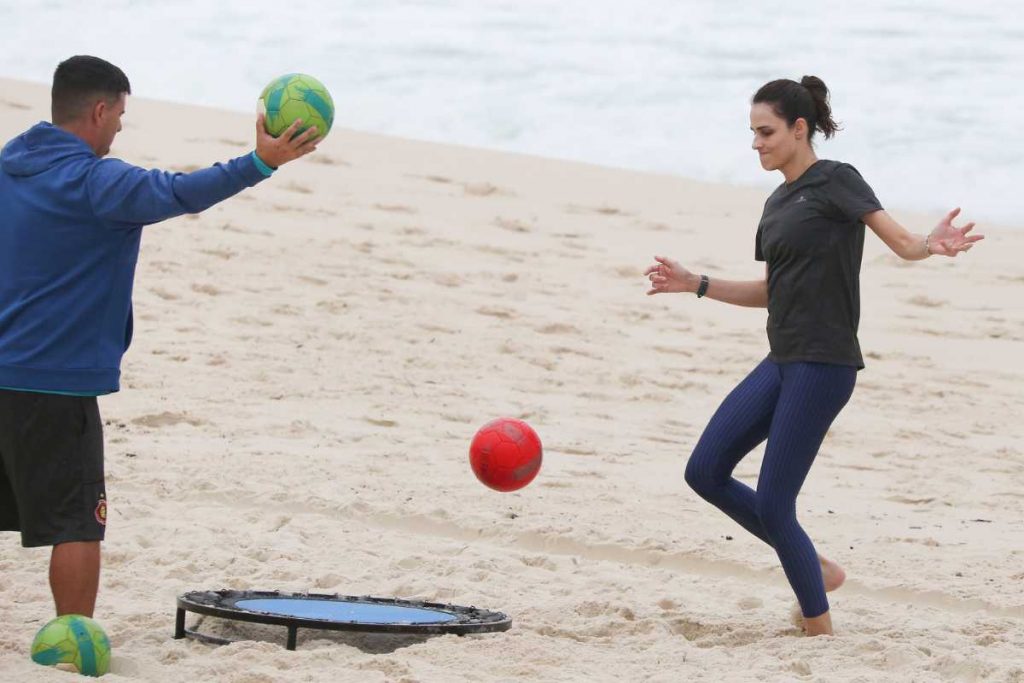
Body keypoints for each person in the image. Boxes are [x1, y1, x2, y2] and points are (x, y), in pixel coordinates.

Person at [644, 75, 983, 637]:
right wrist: (695, 283)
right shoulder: (776, 203)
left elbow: (902, 243)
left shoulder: (837, 180)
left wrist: (931, 244)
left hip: (824, 364)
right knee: (704, 471)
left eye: (766, 132)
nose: (756, 143)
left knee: (776, 504)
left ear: (799, 129)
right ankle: (815, 565)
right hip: (782, 358)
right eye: (753, 133)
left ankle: (818, 628)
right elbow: (772, 292)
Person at [0, 55, 319, 619]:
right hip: (53, 383)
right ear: (100, 110)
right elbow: (181, 192)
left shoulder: (8, 167)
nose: (120, 127)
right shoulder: (97, 182)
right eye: (121, 115)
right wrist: (261, 162)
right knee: (75, 522)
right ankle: (73, 640)